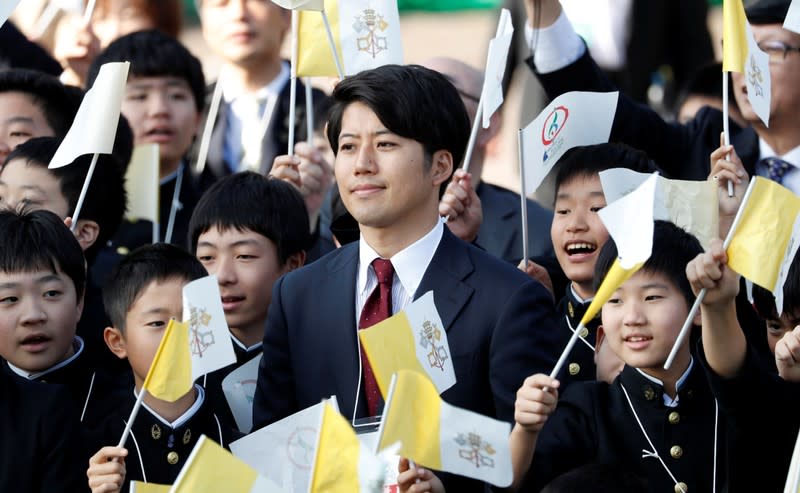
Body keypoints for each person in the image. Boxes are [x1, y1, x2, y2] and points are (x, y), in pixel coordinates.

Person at [252, 64, 560, 492]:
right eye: (347, 146)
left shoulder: (508, 299)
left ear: (440, 167)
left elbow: (534, 463)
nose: (362, 164)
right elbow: (273, 452)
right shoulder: (298, 293)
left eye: (386, 144)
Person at [511, 221, 727, 492]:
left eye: (651, 297)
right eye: (615, 300)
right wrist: (525, 430)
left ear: (696, 307)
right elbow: (515, 485)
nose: (632, 318)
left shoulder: (728, 397)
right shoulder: (588, 408)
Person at [523, 0, 800, 191]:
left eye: (771, 49)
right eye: (741, 49)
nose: (748, 68)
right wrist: (542, 11)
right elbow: (600, 108)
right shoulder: (707, 145)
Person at [86, 243, 241, 493]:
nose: (177, 335)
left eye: (192, 320)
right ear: (117, 341)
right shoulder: (95, 454)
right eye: (157, 323)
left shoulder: (240, 449)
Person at [188, 171, 309, 431]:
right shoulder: (184, 371)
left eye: (244, 256)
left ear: (293, 264)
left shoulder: (317, 359)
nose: (222, 276)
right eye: (207, 257)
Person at [0, 137, 130, 377]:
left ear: (83, 232)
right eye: (0, 199)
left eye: (27, 204)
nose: (8, 216)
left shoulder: (121, 336)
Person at [687, 236, 799, 492]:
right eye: (775, 327)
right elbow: (741, 385)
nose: (788, 340)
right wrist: (717, 306)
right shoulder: (768, 399)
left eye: (799, 324)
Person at [421, 57, 554, 263]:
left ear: (488, 125)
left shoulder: (540, 231)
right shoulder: (362, 217)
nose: (416, 103)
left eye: (438, 89)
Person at [547, 143, 658, 384]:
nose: (574, 224)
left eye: (596, 208)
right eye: (563, 210)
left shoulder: (659, 329)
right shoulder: (538, 327)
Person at [87, 29, 205, 249]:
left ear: (198, 118)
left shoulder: (219, 212)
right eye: (139, 96)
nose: (160, 110)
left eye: (176, 96)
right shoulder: (79, 209)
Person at [192, 0, 328, 189]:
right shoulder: (191, 111)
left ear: (287, 15)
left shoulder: (321, 112)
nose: (239, 14)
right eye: (221, 3)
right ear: (203, 21)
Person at [0, 207, 115, 429]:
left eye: (51, 293)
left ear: (79, 300)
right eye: (9, 298)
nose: (33, 316)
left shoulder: (121, 408)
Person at [53, 0, 183, 87]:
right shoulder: (75, 80)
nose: (113, 33)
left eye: (129, 14)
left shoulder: (184, 84)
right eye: (101, 16)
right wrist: (80, 80)